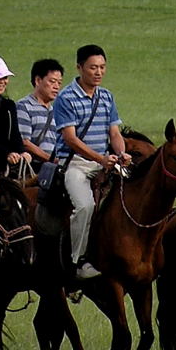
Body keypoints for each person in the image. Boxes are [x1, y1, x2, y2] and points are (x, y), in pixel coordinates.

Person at [53, 44, 131, 280]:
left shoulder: (107, 97)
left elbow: (114, 133)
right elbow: (71, 139)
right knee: (85, 206)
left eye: (102, 67)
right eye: (93, 67)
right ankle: (79, 261)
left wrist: (122, 153)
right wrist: (100, 158)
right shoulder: (65, 98)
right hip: (76, 163)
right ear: (79, 68)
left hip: (105, 160)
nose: (98, 72)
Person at [16, 58, 64, 170]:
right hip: (33, 169)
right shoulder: (24, 106)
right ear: (38, 80)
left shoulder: (56, 111)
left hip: (52, 168)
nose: (56, 86)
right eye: (52, 81)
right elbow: (24, 142)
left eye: (59, 82)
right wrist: (52, 160)